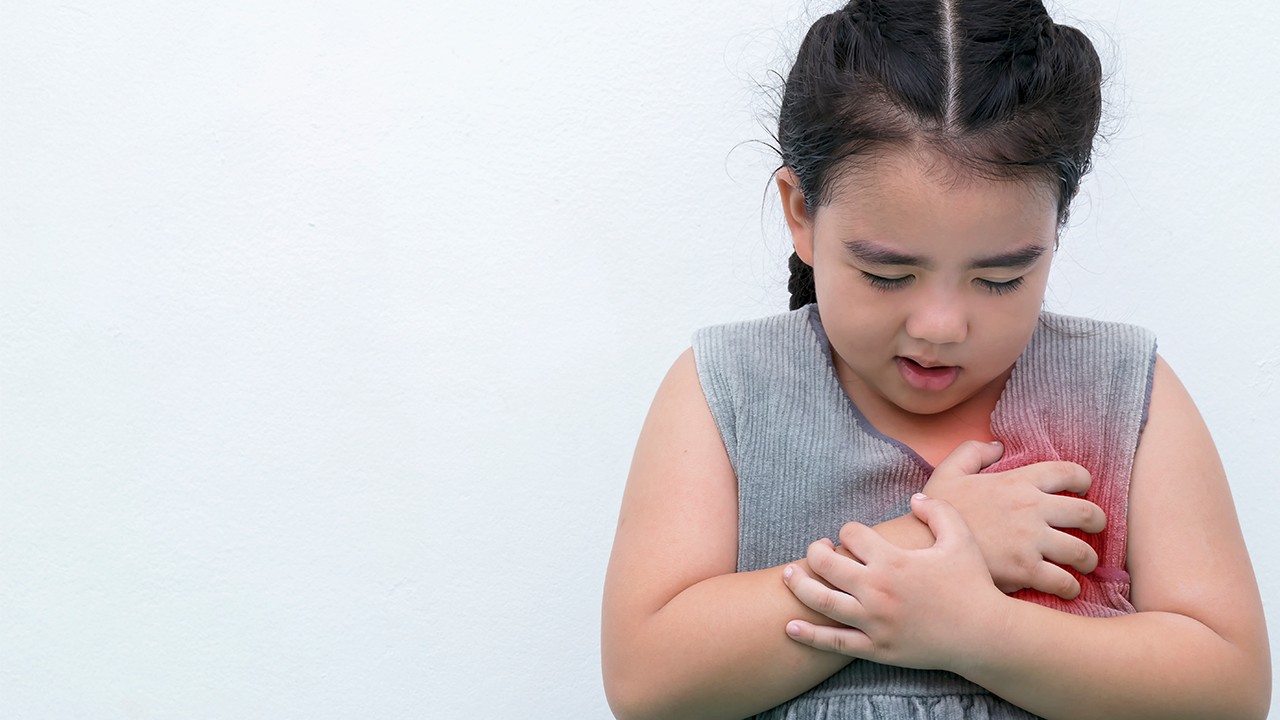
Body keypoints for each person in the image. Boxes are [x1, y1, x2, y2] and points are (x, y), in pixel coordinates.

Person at [600, 0, 1271, 718]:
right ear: (801, 212)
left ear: (1056, 226)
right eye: (888, 276)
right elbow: (649, 682)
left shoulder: (1120, 388)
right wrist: (935, 539)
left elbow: (1229, 689)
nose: (941, 325)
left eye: (1000, 278)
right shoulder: (729, 386)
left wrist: (979, 632)